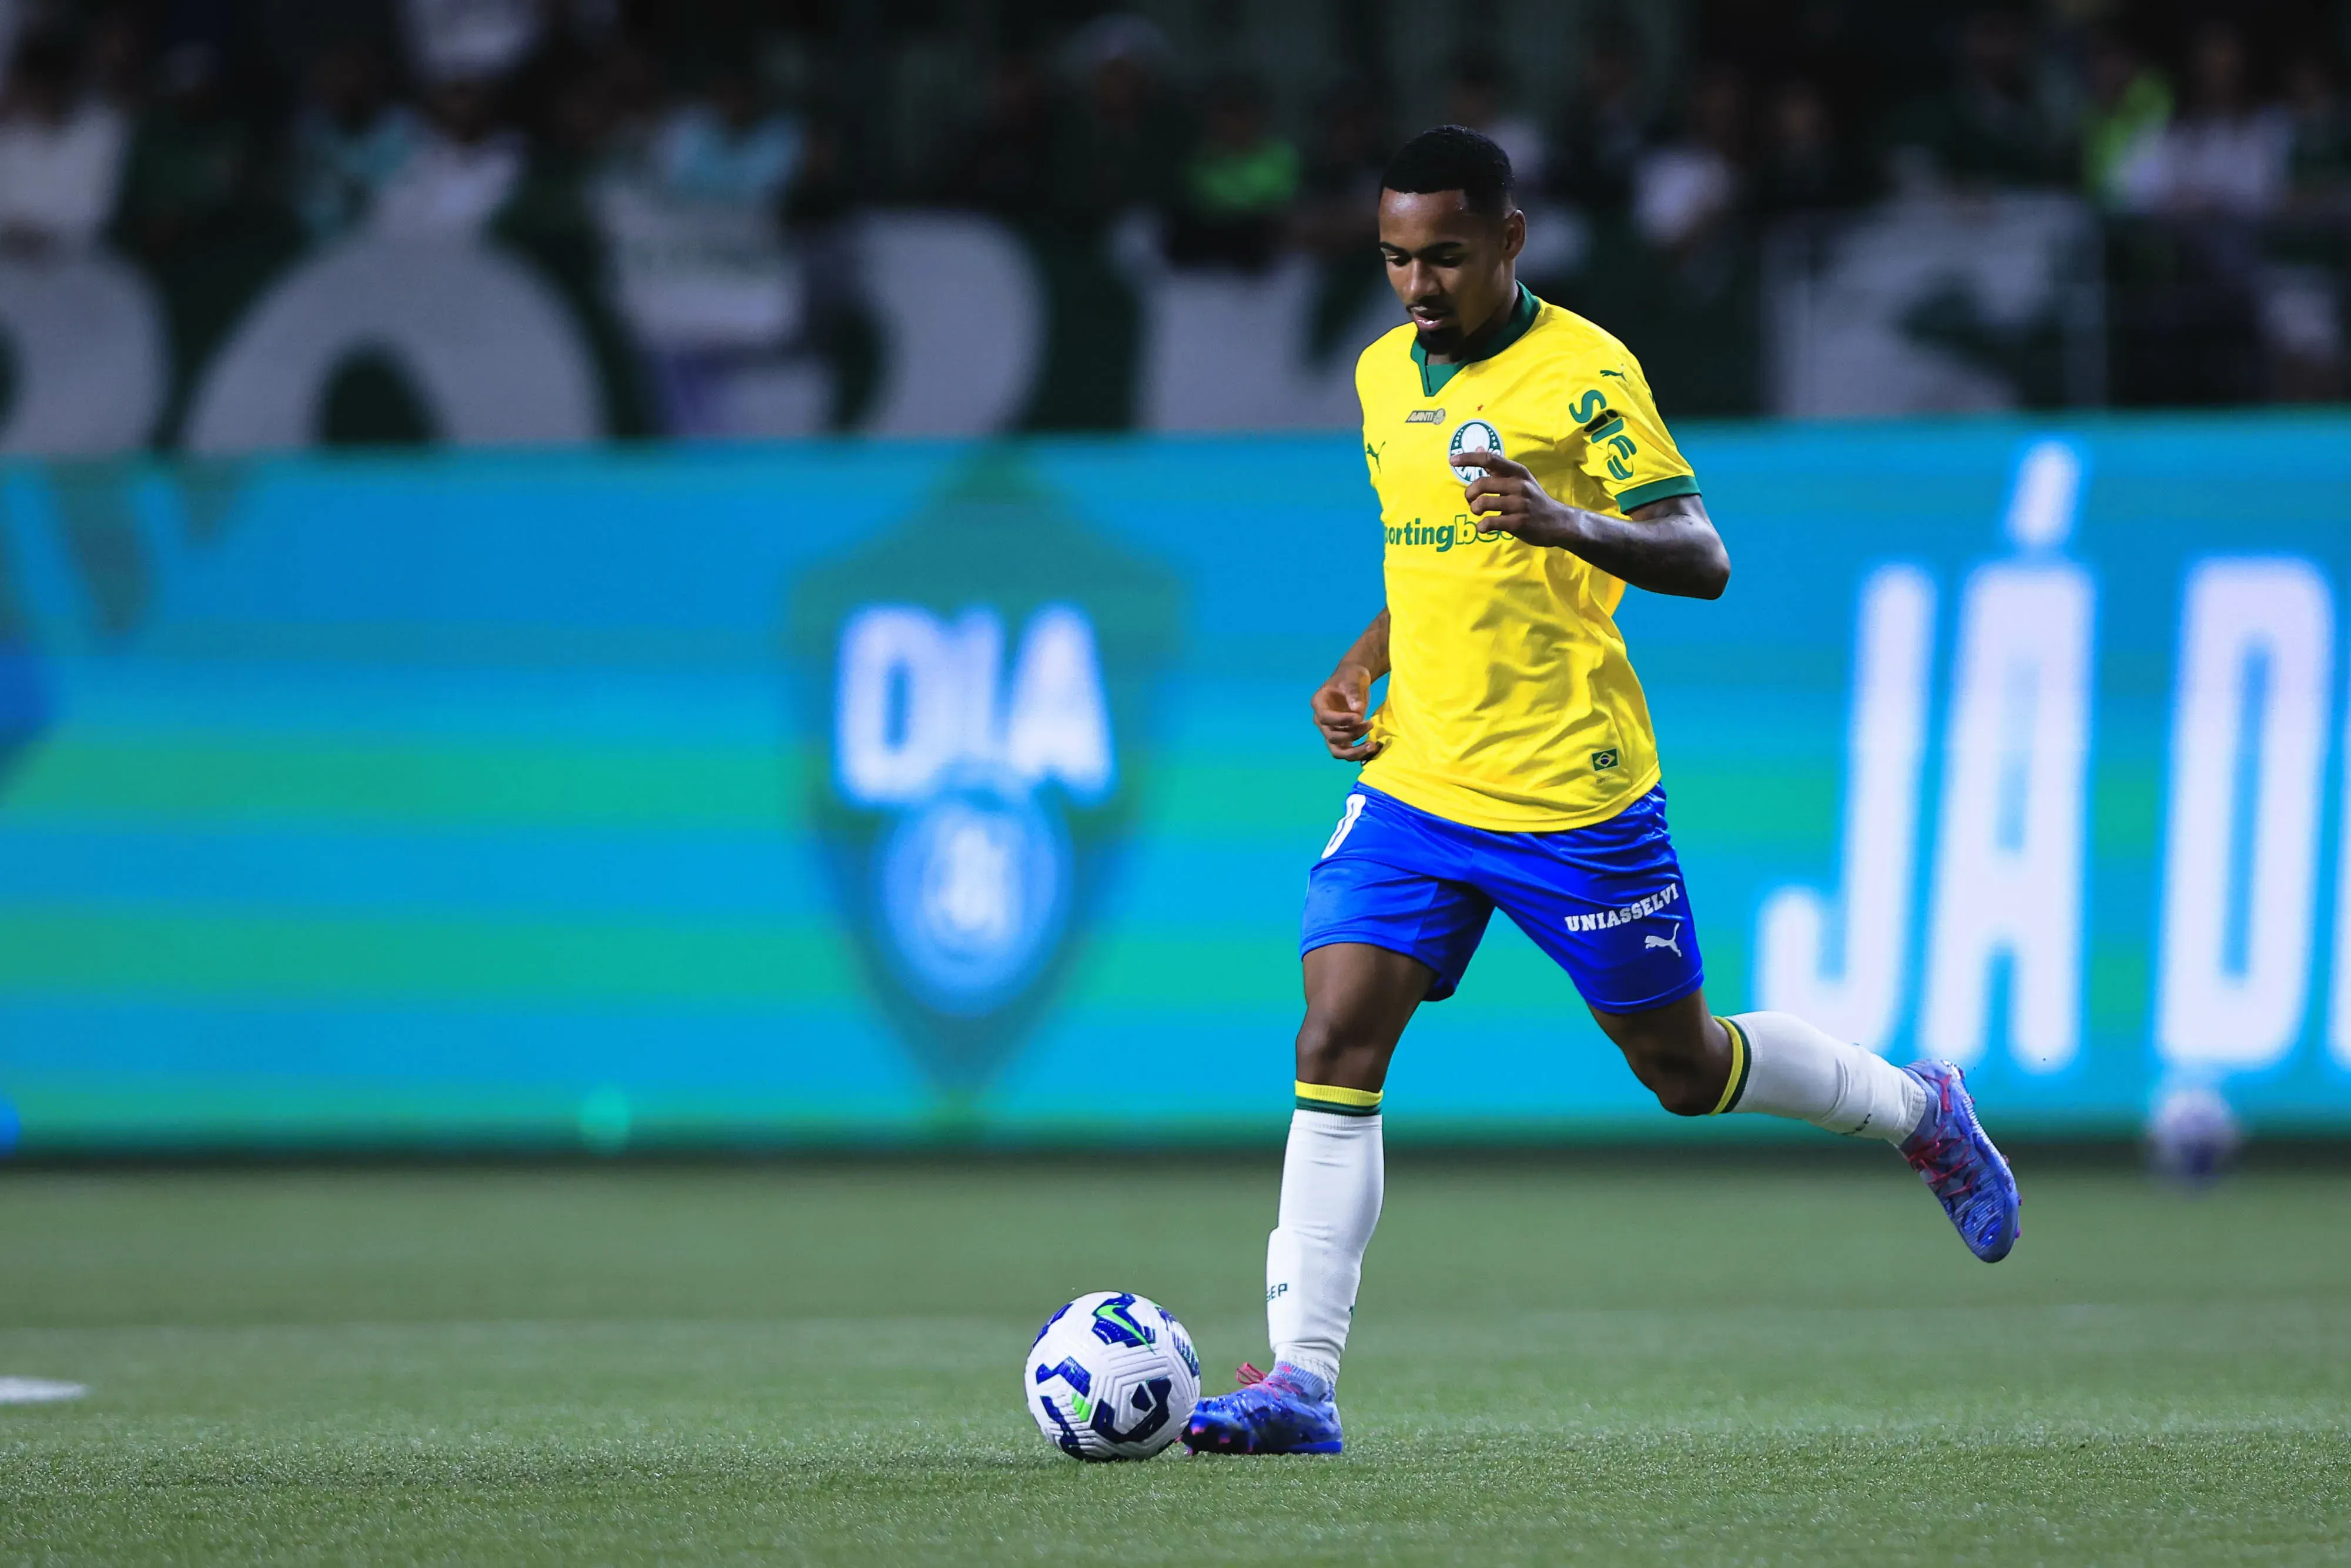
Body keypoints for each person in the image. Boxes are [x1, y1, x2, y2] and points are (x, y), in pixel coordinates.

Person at [1181, 125, 2022, 1459]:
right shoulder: (1378, 375)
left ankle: (1919, 1109)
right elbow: (1428, 560)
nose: (1416, 285)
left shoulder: (1583, 372)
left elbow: (1701, 555)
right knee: (1333, 1042)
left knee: (1681, 1069)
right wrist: (1358, 662)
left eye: (1443, 256)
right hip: (1418, 779)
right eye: (1395, 257)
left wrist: (1570, 521)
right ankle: (1301, 1381)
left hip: (1572, 791)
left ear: (1508, 241)